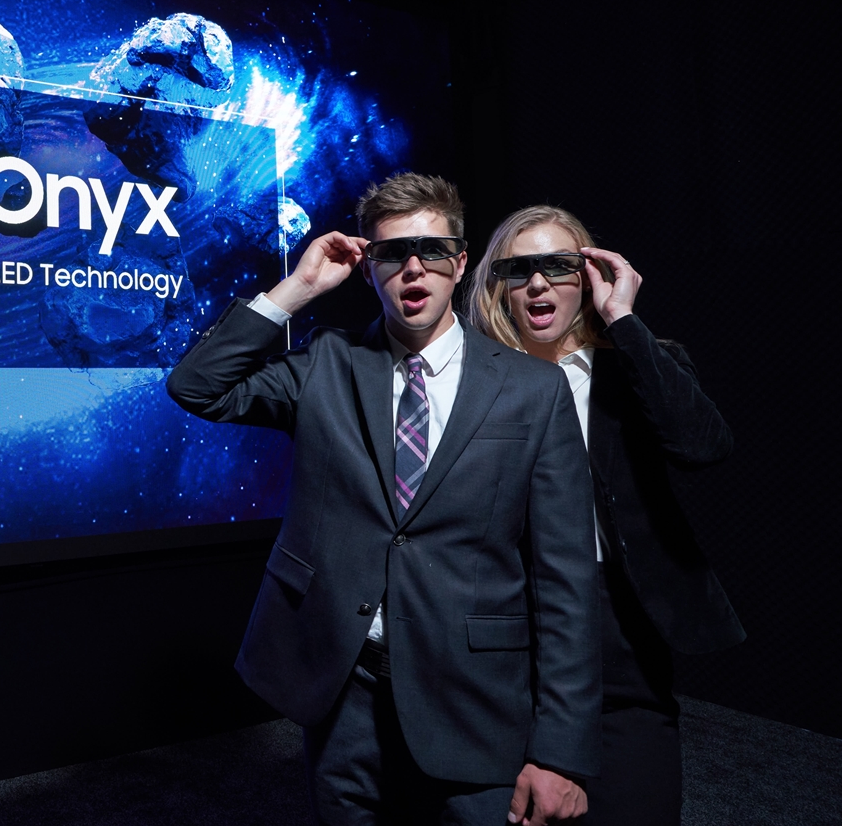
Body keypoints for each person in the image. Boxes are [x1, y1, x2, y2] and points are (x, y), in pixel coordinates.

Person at [167, 173, 600, 825]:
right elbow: (198, 385)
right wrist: (298, 287)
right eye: (394, 253)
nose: (414, 268)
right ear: (368, 266)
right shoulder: (326, 363)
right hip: (346, 690)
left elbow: (566, 579)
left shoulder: (533, 391)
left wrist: (560, 753)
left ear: (461, 263)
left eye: (433, 251)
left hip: (472, 696)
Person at [466, 205, 743, 825]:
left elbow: (704, 446)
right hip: (505, 613)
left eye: (558, 266)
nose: (539, 283)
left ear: (588, 275)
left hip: (618, 627)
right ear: (498, 286)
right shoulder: (471, 381)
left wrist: (622, 319)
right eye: (520, 269)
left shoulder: (636, 364)